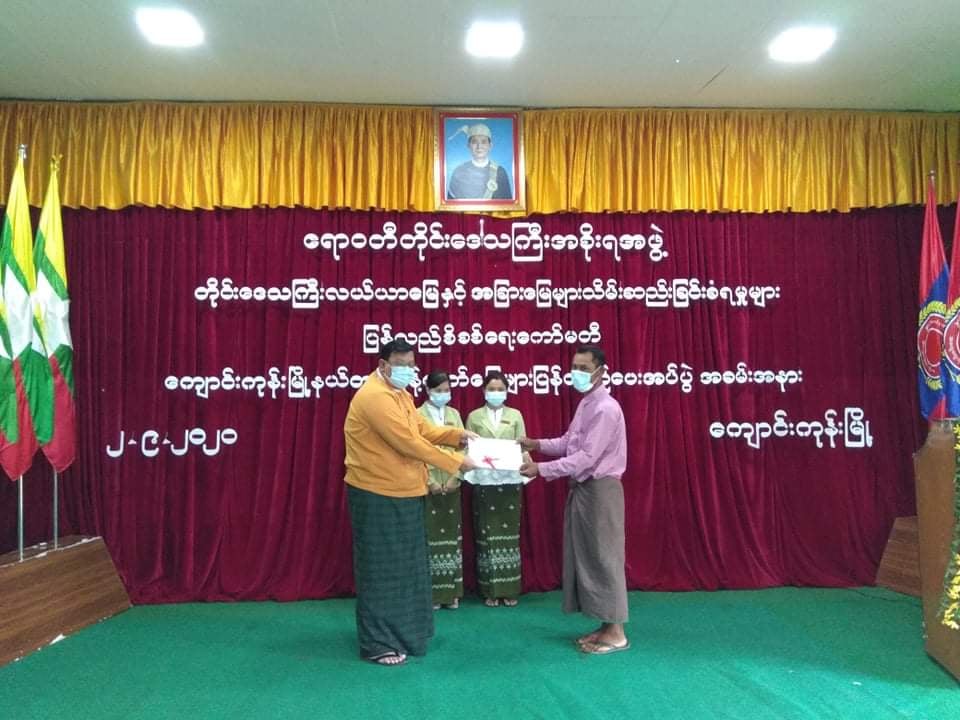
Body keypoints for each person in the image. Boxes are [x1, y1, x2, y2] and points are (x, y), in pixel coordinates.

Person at [343, 339, 477, 666]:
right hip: (377, 494)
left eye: (411, 365)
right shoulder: (375, 396)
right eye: (400, 364)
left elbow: (421, 429)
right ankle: (377, 643)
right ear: (383, 365)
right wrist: (457, 462)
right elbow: (408, 444)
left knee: (406, 569)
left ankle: (405, 634)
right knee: (381, 570)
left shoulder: (399, 393)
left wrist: (456, 436)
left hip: (404, 491)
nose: (407, 370)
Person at [519, 345, 629, 654]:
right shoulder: (587, 404)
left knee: (605, 557)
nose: (576, 373)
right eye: (574, 367)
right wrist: (536, 444)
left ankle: (617, 632)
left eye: (584, 368)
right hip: (584, 489)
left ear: (601, 371)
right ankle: (606, 625)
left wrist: (541, 469)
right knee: (590, 556)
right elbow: (569, 442)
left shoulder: (606, 408)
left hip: (601, 491)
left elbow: (587, 457)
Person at [465, 370, 529, 607]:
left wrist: (528, 462)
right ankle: (490, 590)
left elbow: (523, 446)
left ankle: (509, 590)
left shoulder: (515, 415)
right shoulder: (474, 416)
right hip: (484, 481)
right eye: (491, 389)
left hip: (509, 481)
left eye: (500, 389)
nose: (496, 393)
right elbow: (468, 448)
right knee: (487, 535)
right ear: (483, 391)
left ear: (507, 391)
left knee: (509, 536)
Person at [417, 370, 465, 610]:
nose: (443, 394)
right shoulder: (417, 415)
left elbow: (464, 447)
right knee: (430, 538)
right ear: (428, 391)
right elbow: (414, 450)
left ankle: (451, 593)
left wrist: (457, 476)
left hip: (453, 482)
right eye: (438, 390)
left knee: (451, 539)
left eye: (446, 390)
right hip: (427, 486)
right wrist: (430, 481)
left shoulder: (454, 414)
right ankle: (433, 594)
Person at [446, 123, 512, 200]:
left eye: (483, 142)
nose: (479, 146)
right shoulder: (459, 171)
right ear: (468, 145)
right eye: (474, 142)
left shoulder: (500, 172)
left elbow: (507, 203)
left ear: (490, 146)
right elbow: (451, 204)